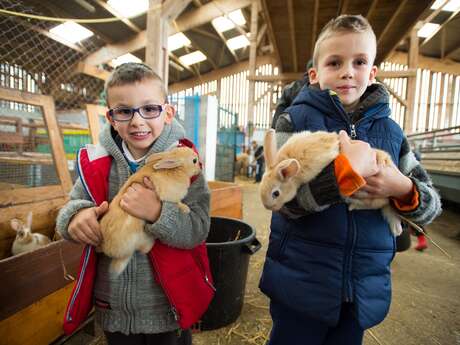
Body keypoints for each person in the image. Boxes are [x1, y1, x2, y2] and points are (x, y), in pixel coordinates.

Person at [259, 15, 441, 345]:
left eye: (359, 62)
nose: (347, 71)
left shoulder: (392, 133)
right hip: (301, 284)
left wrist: (401, 187)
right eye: (335, 62)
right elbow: (283, 200)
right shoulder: (294, 121)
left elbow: (429, 204)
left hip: (363, 289)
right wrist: (343, 176)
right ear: (315, 74)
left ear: (372, 72)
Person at [56, 63, 211, 345]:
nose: (137, 121)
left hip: (167, 307)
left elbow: (199, 229)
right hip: (113, 307)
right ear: (111, 118)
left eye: (149, 109)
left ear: (168, 113)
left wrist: (157, 213)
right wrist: (75, 217)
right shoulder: (99, 163)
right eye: (125, 111)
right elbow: (71, 206)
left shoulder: (185, 163)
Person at [271, 60, 312, 129]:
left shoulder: (290, 88)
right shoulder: (325, 87)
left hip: (291, 132)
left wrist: (275, 129)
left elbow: (279, 111)